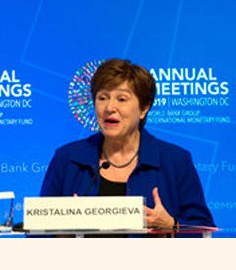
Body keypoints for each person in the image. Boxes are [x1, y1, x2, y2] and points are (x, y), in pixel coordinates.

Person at [40, 58, 214, 233]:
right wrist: (60, 233)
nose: (110, 107)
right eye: (102, 98)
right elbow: (37, 231)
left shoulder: (175, 161)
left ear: (144, 109)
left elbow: (203, 231)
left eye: (122, 99)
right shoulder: (67, 158)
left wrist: (172, 226)